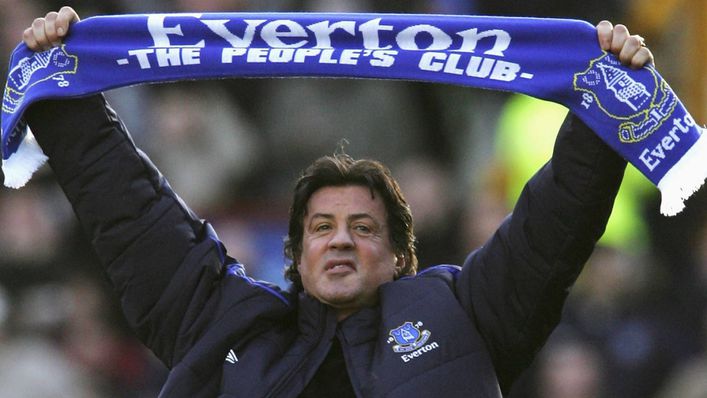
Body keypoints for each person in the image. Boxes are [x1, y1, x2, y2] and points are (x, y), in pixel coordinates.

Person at [19, 6, 653, 398]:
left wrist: (608, 99)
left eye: (363, 227)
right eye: (320, 227)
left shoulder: (467, 315)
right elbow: (129, 211)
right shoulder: (224, 321)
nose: (341, 239)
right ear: (295, 256)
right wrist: (60, 87)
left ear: (403, 256)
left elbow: (552, 227)